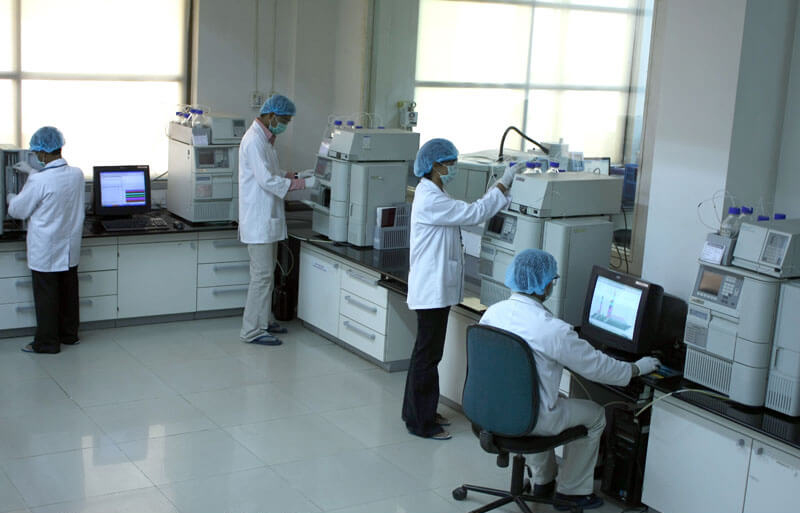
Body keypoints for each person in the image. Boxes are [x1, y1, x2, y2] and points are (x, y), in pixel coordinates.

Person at [479, 249, 660, 510]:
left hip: (491, 409)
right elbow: (598, 368)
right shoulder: (553, 330)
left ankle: (543, 480)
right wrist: (636, 369)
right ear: (545, 284)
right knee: (596, 415)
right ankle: (572, 492)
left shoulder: (493, 313)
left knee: (548, 400)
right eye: (553, 279)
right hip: (532, 417)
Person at [402, 138, 524, 440]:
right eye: (450, 163)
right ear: (435, 166)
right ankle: (421, 423)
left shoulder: (433, 191)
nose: (453, 168)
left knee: (425, 354)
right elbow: (472, 214)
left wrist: (499, 188)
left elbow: (465, 213)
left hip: (433, 286)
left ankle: (418, 412)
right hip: (431, 290)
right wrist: (503, 184)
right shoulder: (431, 198)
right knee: (428, 357)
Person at [238, 94, 314, 346]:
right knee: (261, 277)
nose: (284, 125)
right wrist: (302, 184)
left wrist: (295, 174)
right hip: (258, 221)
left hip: (265, 219)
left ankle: (263, 320)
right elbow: (267, 181)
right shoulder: (254, 142)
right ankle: (252, 330)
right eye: (283, 120)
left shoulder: (266, 140)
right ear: (271, 116)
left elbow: (272, 173)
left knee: (266, 275)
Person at [7, 127, 85, 354]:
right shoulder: (77, 174)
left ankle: (47, 343)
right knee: (68, 293)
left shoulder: (40, 181)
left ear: (43, 153)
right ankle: (69, 336)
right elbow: (54, 187)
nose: (35, 156)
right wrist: (33, 173)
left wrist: (12, 198)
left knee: (47, 297)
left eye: (36, 153)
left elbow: (19, 211)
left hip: (47, 248)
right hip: (69, 246)